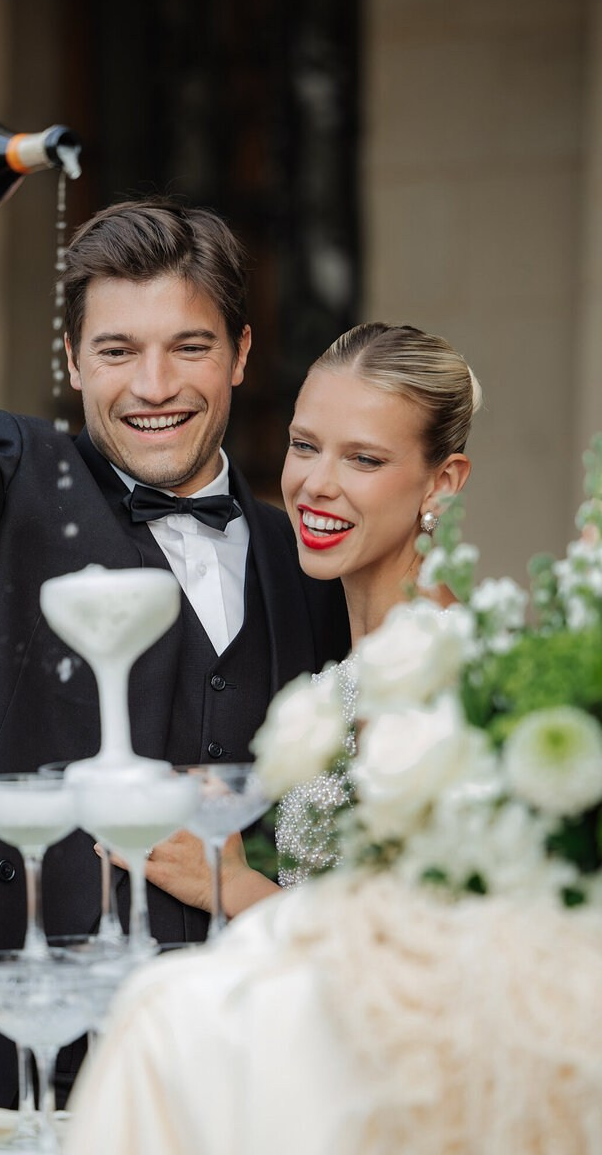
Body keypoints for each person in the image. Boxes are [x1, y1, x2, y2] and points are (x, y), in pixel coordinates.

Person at [0, 105, 349, 1106]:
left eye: (188, 348)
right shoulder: (12, 484)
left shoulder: (299, 557)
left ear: (237, 354)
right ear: (70, 361)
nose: (153, 385)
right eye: (115, 351)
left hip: (208, 1071)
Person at [127, 321, 478, 910]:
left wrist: (234, 886)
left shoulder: (439, 673)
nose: (316, 484)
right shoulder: (354, 653)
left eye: (363, 459)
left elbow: (426, 938)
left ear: (442, 484)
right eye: (305, 446)